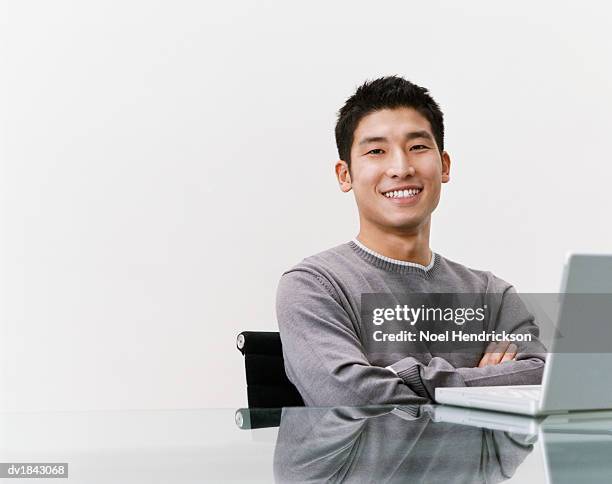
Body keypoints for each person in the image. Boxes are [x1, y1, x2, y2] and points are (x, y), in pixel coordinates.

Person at [276, 76, 546, 406]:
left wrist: (397, 377)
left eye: (417, 147)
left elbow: (545, 378)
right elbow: (353, 395)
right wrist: (486, 383)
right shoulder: (315, 286)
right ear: (344, 175)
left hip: (468, 461)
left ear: (444, 166)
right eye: (376, 151)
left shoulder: (492, 296)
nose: (401, 168)